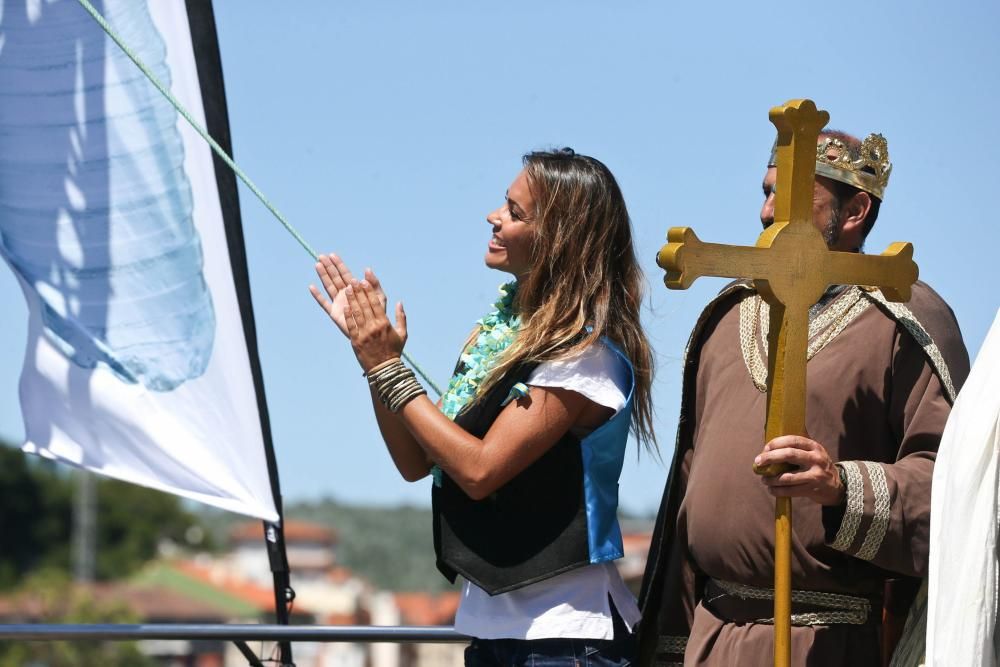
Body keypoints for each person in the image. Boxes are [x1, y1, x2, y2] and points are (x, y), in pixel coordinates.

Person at [636, 131, 970, 666]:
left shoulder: (906, 321)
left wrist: (841, 484)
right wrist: (673, 646)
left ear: (856, 209)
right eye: (766, 193)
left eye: (789, 199)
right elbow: (686, 489)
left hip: (829, 644)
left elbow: (955, 487)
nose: (768, 213)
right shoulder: (726, 316)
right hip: (709, 640)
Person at [310, 148, 655, 666]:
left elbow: (478, 469)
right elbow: (415, 462)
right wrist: (372, 358)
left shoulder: (586, 356)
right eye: (504, 204)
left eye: (516, 213)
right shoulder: (492, 339)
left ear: (560, 239)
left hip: (566, 637)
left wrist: (388, 367)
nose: (494, 217)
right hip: (494, 635)